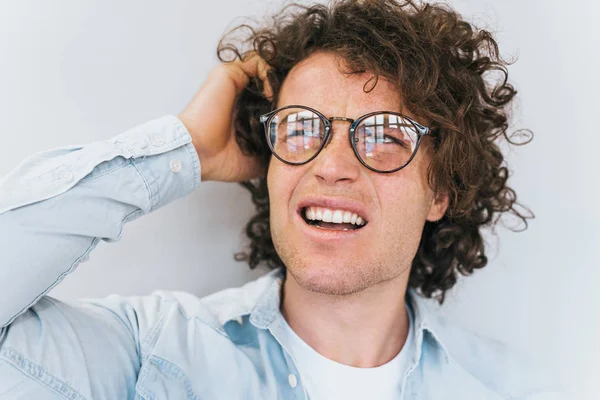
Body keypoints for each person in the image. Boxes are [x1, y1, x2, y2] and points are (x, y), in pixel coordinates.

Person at [0, 0, 560, 399]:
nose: (332, 165)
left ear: (440, 191)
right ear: (268, 165)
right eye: (300, 129)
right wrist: (185, 149)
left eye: (386, 136)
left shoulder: (518, 389)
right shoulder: (153, 350)